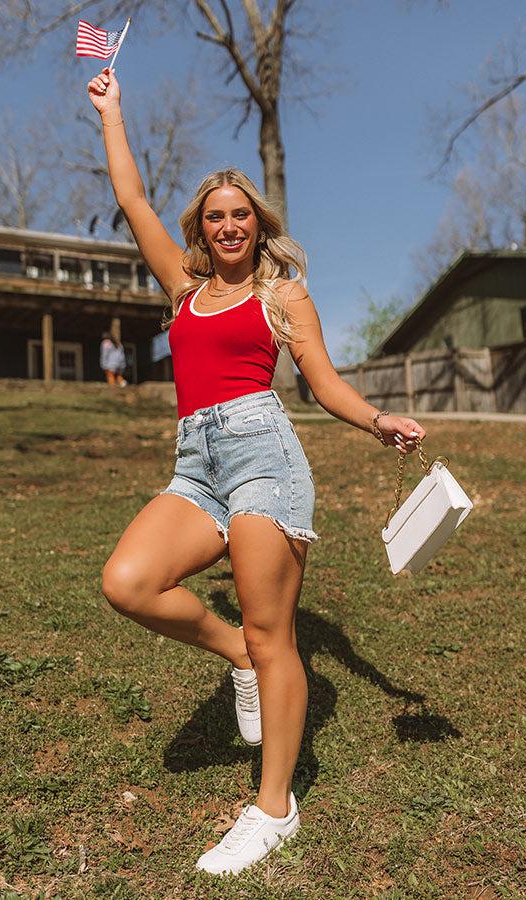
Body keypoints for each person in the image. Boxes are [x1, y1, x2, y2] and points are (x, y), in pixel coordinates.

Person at [87, 66, 428, 876]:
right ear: (202, 230)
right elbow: (133, 198)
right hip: (196, 466)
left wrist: (377, 419)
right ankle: (234, 653)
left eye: (242, 214)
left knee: (279, 632)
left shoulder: (284, 296)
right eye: (217, 217)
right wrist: (112, 111)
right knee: (128, 582)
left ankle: (274, 807)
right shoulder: (182, 287)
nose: (231, 225)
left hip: (264, 459)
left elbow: (324, 381)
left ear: (257, 223)